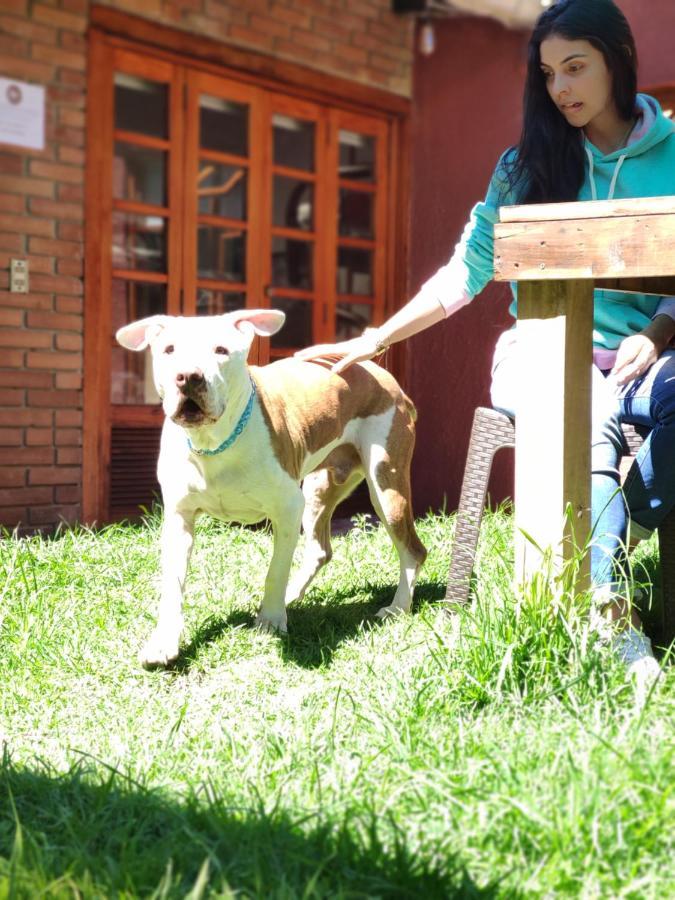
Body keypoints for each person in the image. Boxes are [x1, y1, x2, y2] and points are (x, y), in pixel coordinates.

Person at [296, 0, 675, 685]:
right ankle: (610, 612)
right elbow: (465, 271)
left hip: (647, 355)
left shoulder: (674, 154)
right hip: (542, 344)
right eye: (548, 73)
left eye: (575, 67)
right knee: (581, 409)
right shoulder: (525, 164)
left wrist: (655, 330)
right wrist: (378, 337)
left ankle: (625, 523)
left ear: (618, 60)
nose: (559, 88)